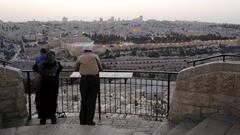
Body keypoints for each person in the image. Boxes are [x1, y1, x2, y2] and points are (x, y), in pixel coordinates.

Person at [74, 45, 102, 125]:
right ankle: (89, 120)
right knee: (92, 100)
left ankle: (82, 120)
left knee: (84, 100)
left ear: (84, 50)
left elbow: (75, 68)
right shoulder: (95, 56)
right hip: (94, 80)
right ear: (91, 50)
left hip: (84, 80)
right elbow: (100, 68)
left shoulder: (80, 57)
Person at [35, 51, 63, 125]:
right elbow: (60, 68)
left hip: (43, 88)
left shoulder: (41, 65)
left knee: (42, 103)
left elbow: (34, 68)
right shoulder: (57, 65)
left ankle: (43, 119)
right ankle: (52, 118)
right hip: (53, 87)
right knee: (52, 102)